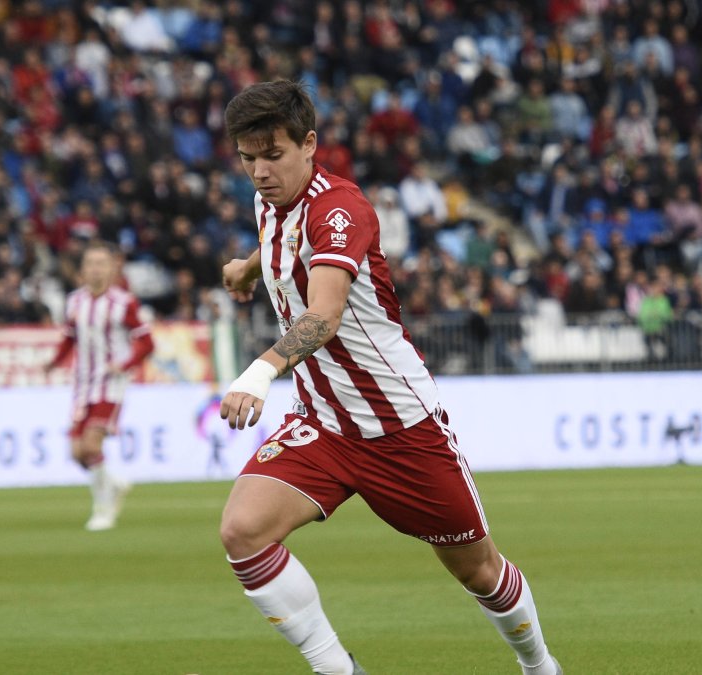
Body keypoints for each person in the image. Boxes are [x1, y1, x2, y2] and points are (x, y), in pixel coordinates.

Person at [217, 81, 561, 675]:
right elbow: (280, 243)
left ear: (309, 145)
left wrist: (260, 370)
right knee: (243, 532)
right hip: (323, 423)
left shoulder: (341, 209)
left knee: (478, 570)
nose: (260, 172)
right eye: (248, 158)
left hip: (400, 424)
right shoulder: (268, 202)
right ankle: (337, 670)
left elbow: (322, 315)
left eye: (272, 155)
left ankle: (539, 666)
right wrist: (250, 269)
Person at [44, 241, 155, 531]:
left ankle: (103, 509)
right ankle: (114, 483)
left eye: (101, 263)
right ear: (82, 270)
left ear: (112, 268)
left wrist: (125, 364)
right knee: (78, 454)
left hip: (111, 384)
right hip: (82, 385)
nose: (95, 269)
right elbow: (70, 337)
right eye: (90, 263)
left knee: (92, 445)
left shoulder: (124, 303)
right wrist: (54, 362)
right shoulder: (75, 301)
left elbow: (147, 342)